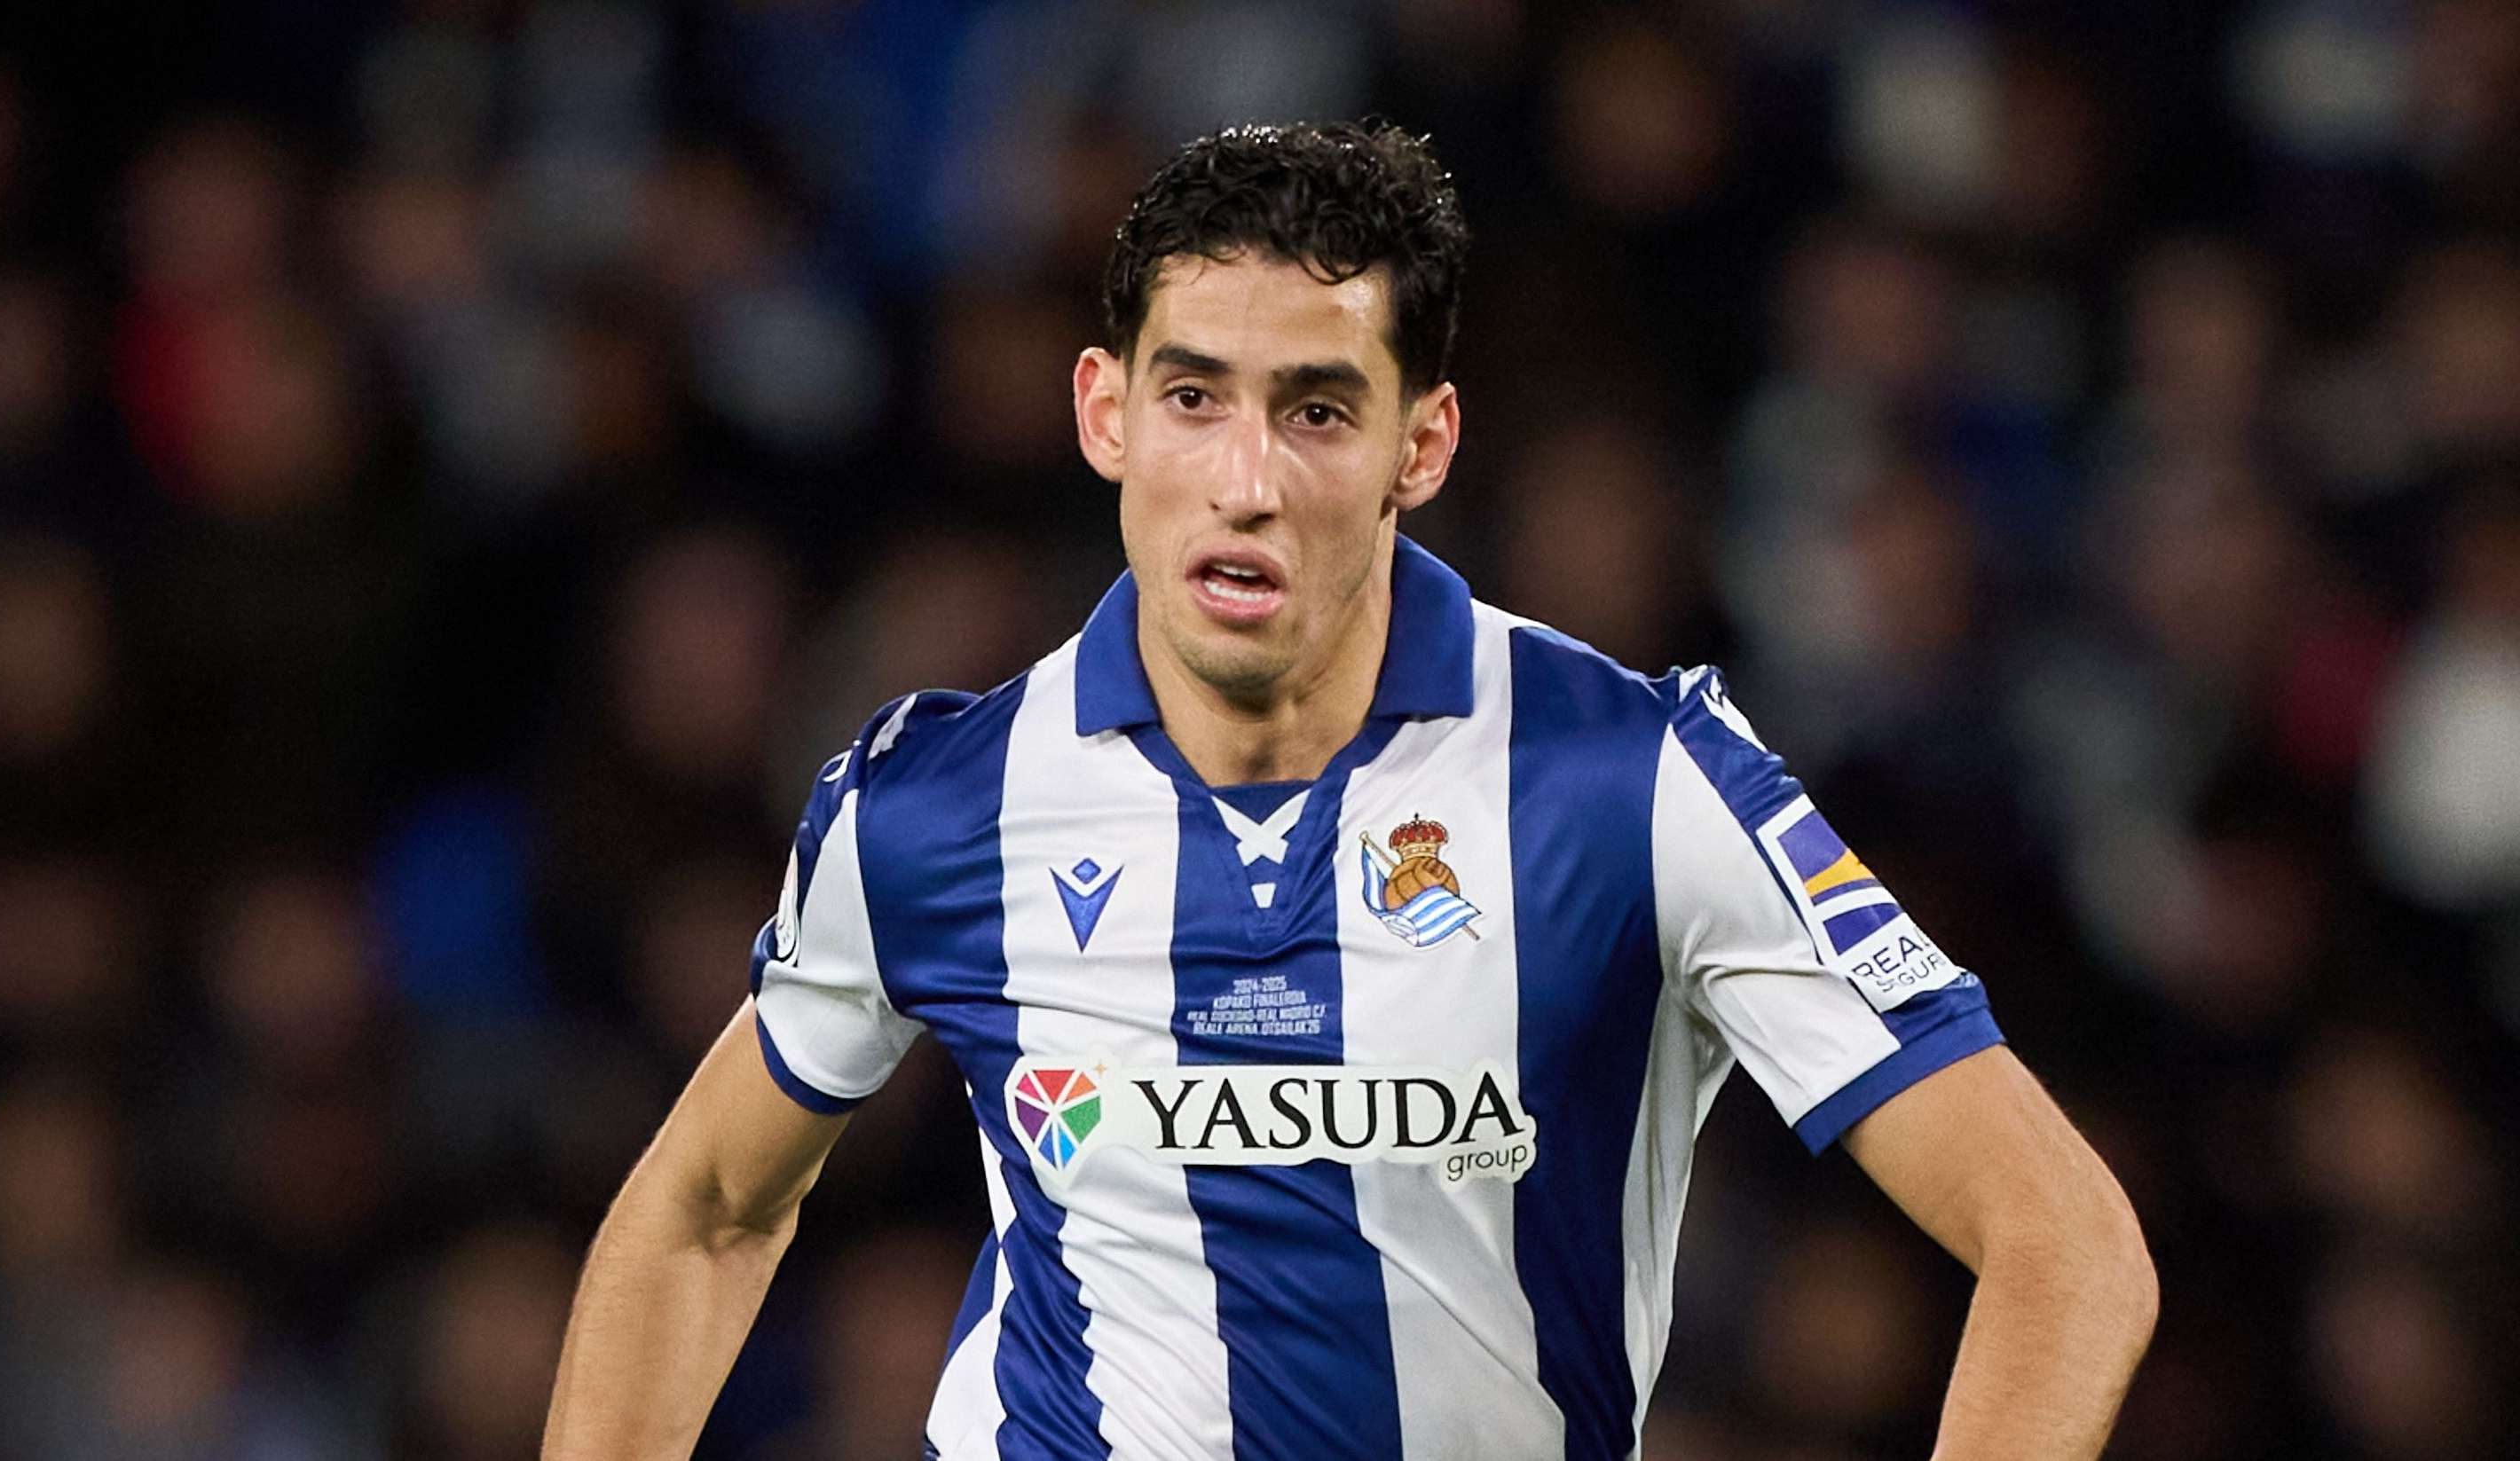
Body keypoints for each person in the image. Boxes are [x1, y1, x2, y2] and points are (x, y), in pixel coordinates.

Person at [542, 120, 2156, 1461]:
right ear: (1106, 412)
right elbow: (704, 1210)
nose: (1245, 480)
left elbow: (2064, 1244)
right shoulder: (935, 808)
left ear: (1422, 446)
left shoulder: (1632, 784)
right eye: (1193, 397)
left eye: (1316, 411)